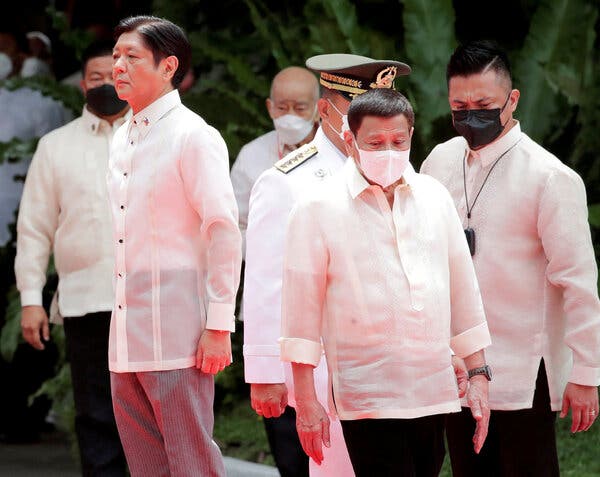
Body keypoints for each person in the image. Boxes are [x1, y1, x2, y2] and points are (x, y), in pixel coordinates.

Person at [279, 87, 492, 477]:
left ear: (411, 135)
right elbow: (300, 313)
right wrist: (306, 399)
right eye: (375, 143)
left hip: (433, 389)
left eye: (398, 141)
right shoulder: (317, 207)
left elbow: (463, 289)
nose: (389, 151)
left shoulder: (434, 197)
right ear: (350, 139)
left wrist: (478, 373)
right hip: (367, 393)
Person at [420, 39, 600, 476]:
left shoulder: (551, 177)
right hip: (455, 361)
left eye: (483, 104)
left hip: (523, 365)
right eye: (459, 105)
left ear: (512, 99)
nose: (470, 114)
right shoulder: (439, 161)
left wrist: (587, 373)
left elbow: (577, 282)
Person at [243, 53, 411, 477]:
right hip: (319, 370)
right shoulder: (287, 181)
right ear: (325, 110)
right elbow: (265, 283)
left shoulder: (398, 171)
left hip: (393, 363)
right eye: (356, 113)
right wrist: (264, 370)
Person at [109, 16, 242, 476]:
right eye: (115, 56)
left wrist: (219, 324)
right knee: (146, 467)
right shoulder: (119, 137)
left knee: (192, 463)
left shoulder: (193, 135)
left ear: (169, 66)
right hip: (126, 332)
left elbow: (223, 229)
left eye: (132, 56)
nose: (119, 66)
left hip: (179, 330)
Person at [15, 40, 130, 476]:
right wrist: (30, 299)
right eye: (96, 77)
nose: (105, 84)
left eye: (113, 76)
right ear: (83, 84)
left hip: (152, 301)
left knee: (153, 413)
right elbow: (34, 228)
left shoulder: (158, 138)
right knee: (96, 413)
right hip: (87, 299)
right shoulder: (55, 146)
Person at [230, 66, 319, 255]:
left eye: (300, 108)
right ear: (270, 108)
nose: (290, 116)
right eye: (282, 108)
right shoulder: (252, 155)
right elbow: (234, 227)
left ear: (319, 108)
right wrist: (270, 249)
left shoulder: (341, 151)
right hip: (271, 274)